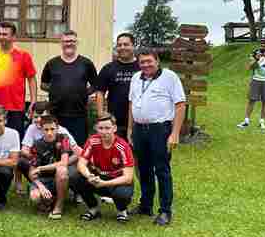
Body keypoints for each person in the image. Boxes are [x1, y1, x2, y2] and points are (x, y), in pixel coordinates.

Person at [128, 48, 186, 226]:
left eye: (149, 61)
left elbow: (180, 105)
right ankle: (145, 205)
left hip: (160, 130)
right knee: (143, 169)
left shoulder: (170, 77)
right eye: (142, 62)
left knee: (162, 170)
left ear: (157, 61)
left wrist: (175, 133)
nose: (145, 65)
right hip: (139, 129)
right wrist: (130, 128)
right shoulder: (136, 78)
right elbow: (131, 103)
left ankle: (165, 211)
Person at [0, 22, 36, 142]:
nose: (1, 37)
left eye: (5, 34)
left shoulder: (23, 55)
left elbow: (31, 78)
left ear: (13, 37)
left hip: (15, 107)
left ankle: (13, 161)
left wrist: (33, 100)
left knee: (14, 140)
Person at [40, 29, 98, 146]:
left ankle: (77, 165)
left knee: (78, 146)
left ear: (77, 43)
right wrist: (56, 90)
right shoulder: (52, 63)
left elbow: (95, 85)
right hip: (56, 114)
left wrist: (83, 92)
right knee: (57, 145)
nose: (69, 43)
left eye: (72, 41)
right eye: (66, 41)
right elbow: (43, 84)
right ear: (61, 43)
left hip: (79, 114)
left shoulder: (86, 63)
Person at [77, 114, 135, 223]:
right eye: (101, 128)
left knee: (122, 194)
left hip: (118, 181)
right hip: (99, 177)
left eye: (107, 128)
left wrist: (104, 183)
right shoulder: (92, 141)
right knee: (76, 177)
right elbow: (81, 164)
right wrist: (89, 176)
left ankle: (122, 211)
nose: (104, 132)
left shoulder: (123, 146)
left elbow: (128, 177)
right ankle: (93, 208)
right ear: (96, 129)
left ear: (114, 128)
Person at [26, 114, 83, 221]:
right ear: (41, 130)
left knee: (62, 170)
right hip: (44, 179)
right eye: (46, 129)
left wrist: (41, 168)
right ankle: (51, 199)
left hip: (61, 176)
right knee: (35, 197)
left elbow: (63, 162)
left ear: (57, 128)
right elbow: (31, 171)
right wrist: (40, 186)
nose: (49, 132)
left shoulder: (63, 138)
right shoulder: (36, 145)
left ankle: (59, 205)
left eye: (52, 129)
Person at [96, 32, 139, 138]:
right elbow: (100, 92)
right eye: (119, 45)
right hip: (115, 122)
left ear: (133, 46)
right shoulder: (108, 68)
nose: (122, 47)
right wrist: (101, 115)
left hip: (138, 121)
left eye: (126, 44)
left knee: (135, 153)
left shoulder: (142, 67)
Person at [239, 39, 265, 131]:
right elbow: (250, 67)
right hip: (256, 79)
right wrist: (257, 58)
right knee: (251, 100)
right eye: (261, 43)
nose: (263, 45)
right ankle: (246, 121)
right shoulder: (255, 53)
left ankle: (262, 122)